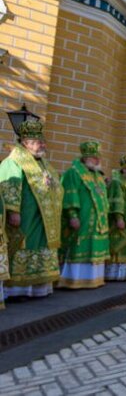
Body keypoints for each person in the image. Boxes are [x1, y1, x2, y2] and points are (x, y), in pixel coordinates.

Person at [0, 118, 63, 299]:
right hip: (26, 216)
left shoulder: (42, 163)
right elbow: (10, 185)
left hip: (44, 217)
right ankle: (17, 290)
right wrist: (13, 210)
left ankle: (38, 287)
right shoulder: (14, 161)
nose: (42, 145)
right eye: (38, 142)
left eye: (43, 141)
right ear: (26, 143)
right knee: (23, 247)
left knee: (41, 247)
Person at [58, 141, 109, 289]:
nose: (98, 160)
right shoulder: (74, 172)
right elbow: (70, 194)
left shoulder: (97, 176)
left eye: (98, 157)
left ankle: (94, 279)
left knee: (94, 246)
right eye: (94, 158)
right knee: (79, 245)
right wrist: (73, 215)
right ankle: (74, 279)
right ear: (85, 158)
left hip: (98, 221)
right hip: (83, 217)